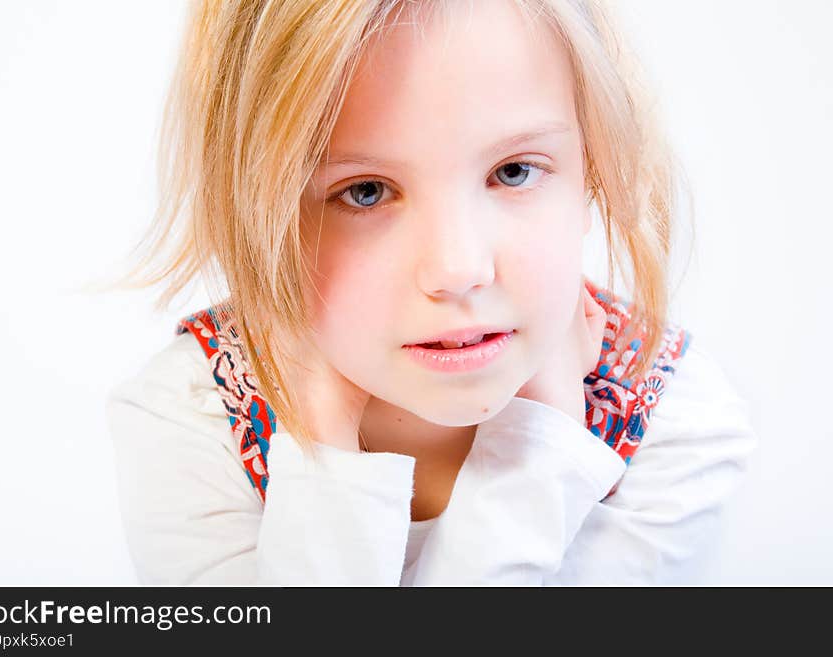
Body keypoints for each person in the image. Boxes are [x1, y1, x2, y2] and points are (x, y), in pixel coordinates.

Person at [105, 0, 757, 585]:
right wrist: (323, 446)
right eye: (364, 192)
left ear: (595, 168)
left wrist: (538, 449)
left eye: (513, 171)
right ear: (256, 210)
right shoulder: (193, 421)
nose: (457, 268)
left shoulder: (676, 427)